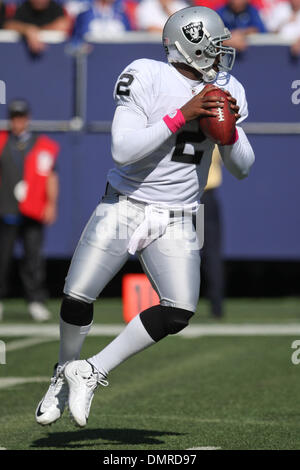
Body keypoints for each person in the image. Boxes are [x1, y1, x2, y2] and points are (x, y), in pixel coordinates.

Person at [35, 6, 254, 427]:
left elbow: (243, 168)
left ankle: (91, 369)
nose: (222, 53)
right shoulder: (147, 74)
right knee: (77, 296)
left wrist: (231, 133)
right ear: (192, 47)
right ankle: (61, 375)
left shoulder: (229, 87)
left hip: (178, 214)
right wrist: (184, 114)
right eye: (214, 46)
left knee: (178, 311)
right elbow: (122, 149)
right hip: (127, 203)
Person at [0, 100, 59, 322]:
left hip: (33, 210)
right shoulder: (3, 141)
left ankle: (35, 301)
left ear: (28, 118)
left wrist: (51, 203)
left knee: (33, 258)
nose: (18, 122)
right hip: (6, 208)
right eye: (14, 117)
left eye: (21, 117)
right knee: (2, 258)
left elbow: (52, 176)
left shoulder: (42, 145)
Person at [201, 147, 224, 318]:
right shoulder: (213, 127)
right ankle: (217, 309)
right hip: (206, 196)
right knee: (212, 255)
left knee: (173, 252)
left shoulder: (175, 124)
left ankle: (174, 305)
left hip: (179, 197)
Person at [4, 0, 71, 54]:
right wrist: (27, 30)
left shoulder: (56, 8)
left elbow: (64, 24)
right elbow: (9, 25)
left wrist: (36, 32)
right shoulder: (24, 8)